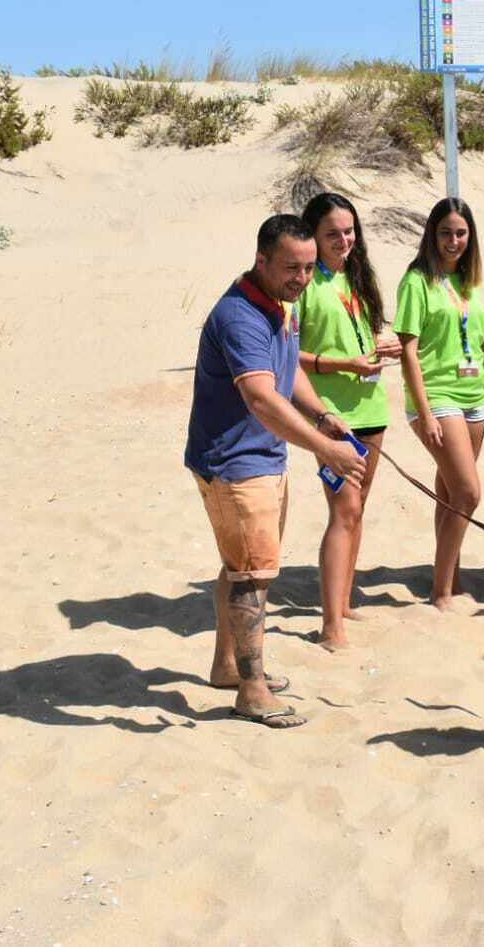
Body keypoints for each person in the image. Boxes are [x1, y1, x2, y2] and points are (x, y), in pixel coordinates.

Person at [184, 213, 368, 729]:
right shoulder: (241, 315)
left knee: (239, 565)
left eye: (310, 269)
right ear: (261, 259)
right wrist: (324, 449)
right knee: (252, 578)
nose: (302, 279)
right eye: (292, 267)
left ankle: (227, 667)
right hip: (237, 464)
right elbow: (262, 397)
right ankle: (252, 689)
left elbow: (286, 375)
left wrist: (323, 415)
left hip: (261, 457)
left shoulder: (278, 304)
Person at [296, 192, 402, 652]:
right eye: (333, 234)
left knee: (358, 510)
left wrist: (382, 349)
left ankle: (342, 601)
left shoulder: (357, 278)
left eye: (350, 231)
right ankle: (329, 624)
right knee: (344, 511)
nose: (344, 240)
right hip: (330, 417)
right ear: (312, 237)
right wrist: (342, 365)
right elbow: (287, 355)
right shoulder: (303, 285)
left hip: (372, 409)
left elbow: (358, 340)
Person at [394, 198, 484, 610]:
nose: (453, 241)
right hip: (437, 396)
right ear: (432, 234)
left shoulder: (469, 280)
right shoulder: (417, 280)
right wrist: (424, 413)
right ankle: (441, 591)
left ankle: (451, 579)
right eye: (445, 232)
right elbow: (408, 347)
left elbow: (479, 343)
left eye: (460, 233)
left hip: (474, 397)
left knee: (449, 493)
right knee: (469, 492)